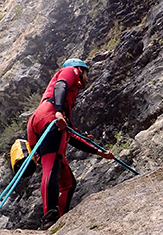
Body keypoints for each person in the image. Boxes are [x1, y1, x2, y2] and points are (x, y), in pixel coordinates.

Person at [26, 58, 113, 225]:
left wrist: (98, 152)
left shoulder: (66, 107)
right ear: (81, 69)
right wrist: (58, 112)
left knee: (68, 182)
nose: (88, 77)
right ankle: (50, 215)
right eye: (87, 73)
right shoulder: (70, 71)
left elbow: (72, 136)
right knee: (52, 164)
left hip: (41, 121)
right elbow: (61, 86)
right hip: (49, 115)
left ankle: (59, 219)